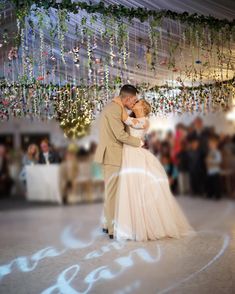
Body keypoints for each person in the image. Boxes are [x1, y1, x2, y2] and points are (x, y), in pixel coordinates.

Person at [112, 96, 194, 241]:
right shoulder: (135, 119)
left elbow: (126, 119)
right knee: (130, 189)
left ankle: (146, 225)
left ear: (143, 108)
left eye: (138, 103)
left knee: (140, 189)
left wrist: (119, 103)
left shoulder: (144, 122)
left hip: (135, 157)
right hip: (129, 155)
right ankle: (131, 227)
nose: (135, 103)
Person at [94, 85, 142, 239]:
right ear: (127, 98)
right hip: (112, 156)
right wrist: (139, 142)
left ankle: (108, 224)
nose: (134, 103)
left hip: (111, 155)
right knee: (112, 194)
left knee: (111, 192)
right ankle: (112, 229)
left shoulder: (115, 108)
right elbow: (120, 135)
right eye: (133, 100)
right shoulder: (115, 109)